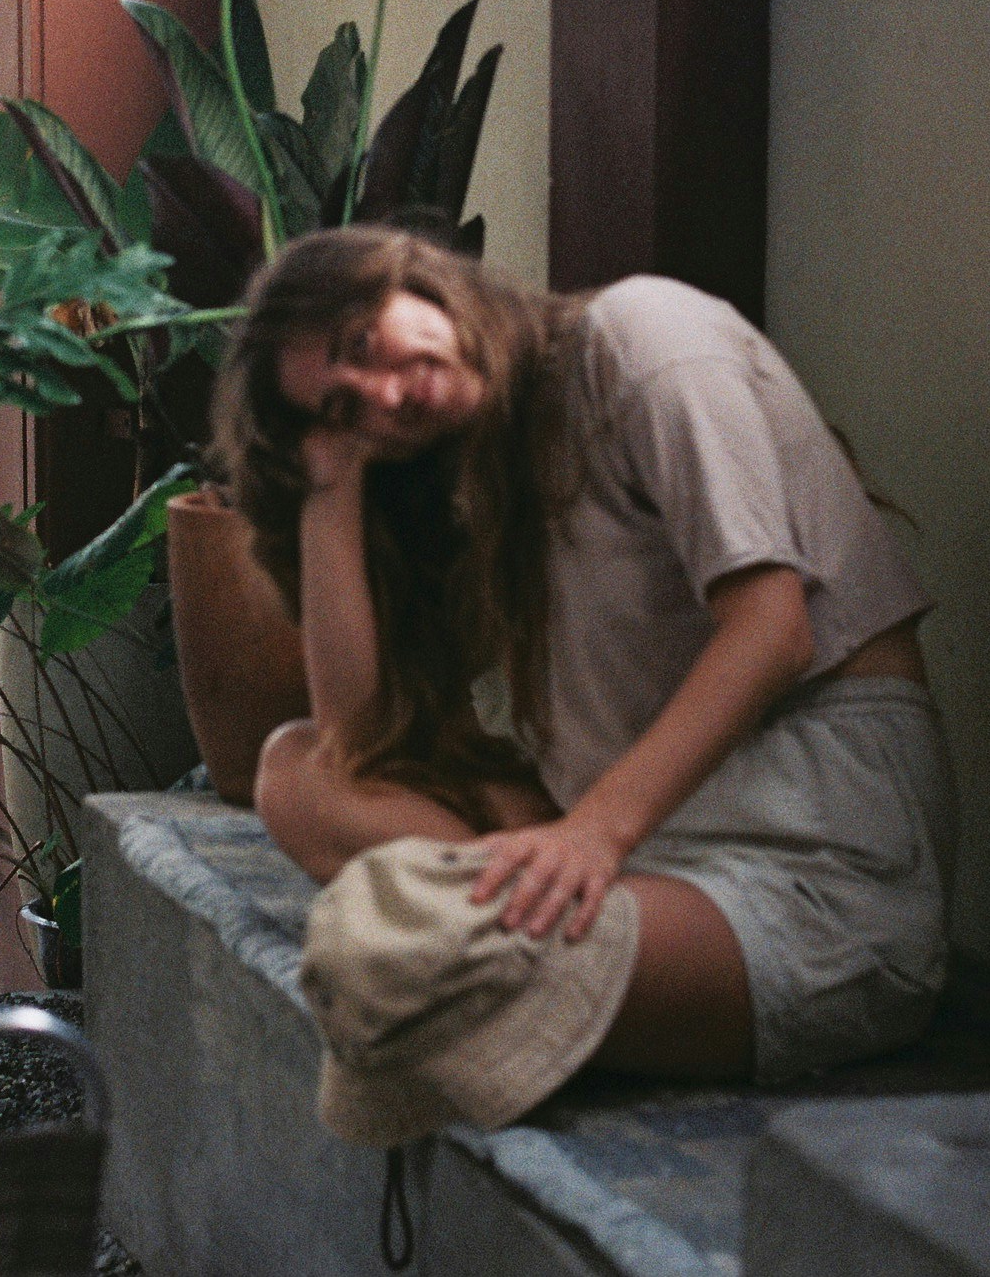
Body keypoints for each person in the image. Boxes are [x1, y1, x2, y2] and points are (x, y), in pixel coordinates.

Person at [225, 226, 950, 1088]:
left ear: (411, 281)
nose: (386, 395)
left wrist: (591, 834)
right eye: (348, 406)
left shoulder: (642, 339)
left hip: (802, 853)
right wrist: (330, 474)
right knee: (294, 769)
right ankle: (525, 910)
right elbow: (358, 736)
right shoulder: (479, 453)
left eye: (363, 344)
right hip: (640, 828)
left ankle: (505, 922)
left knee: (398, 967)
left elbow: (772, 631)